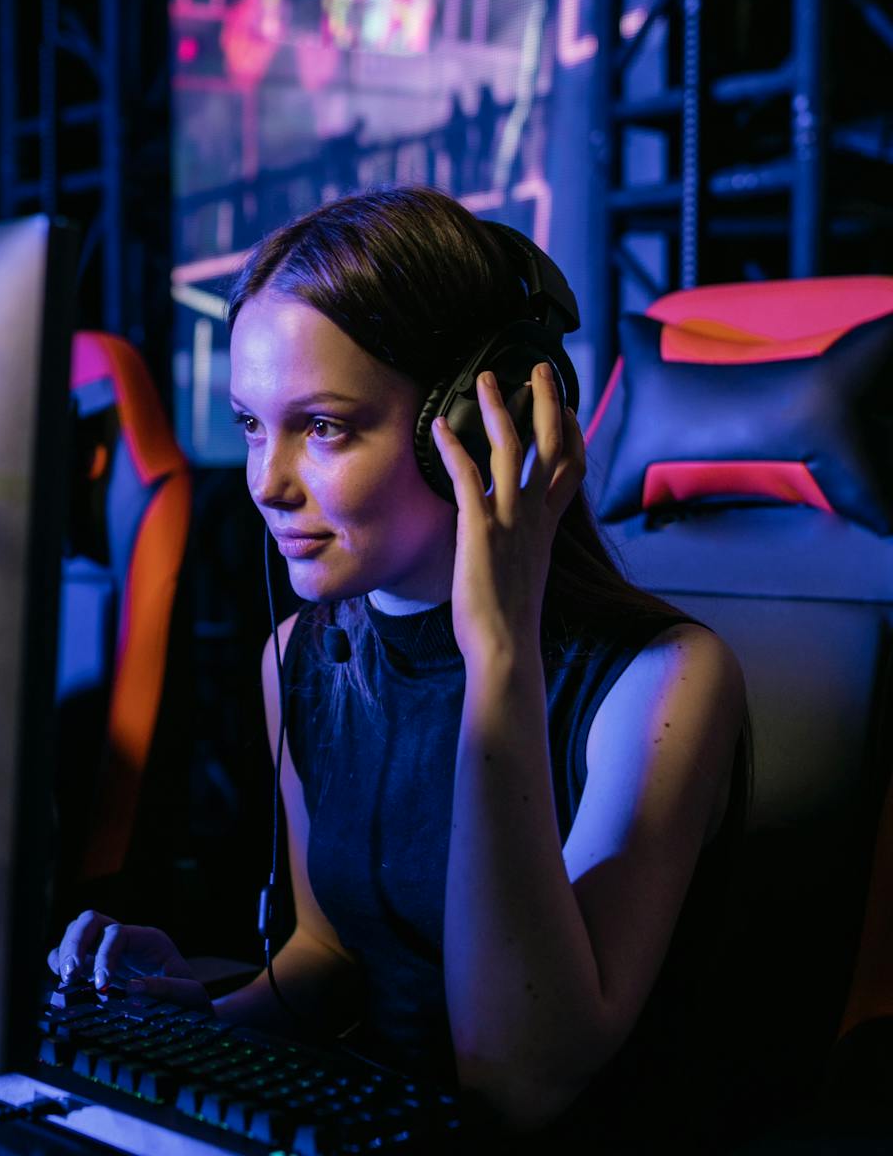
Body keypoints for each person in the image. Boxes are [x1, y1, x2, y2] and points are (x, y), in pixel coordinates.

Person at [49, 186, 749, 1141]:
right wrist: (194, 1016)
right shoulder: (301, 658)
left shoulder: (662, 684)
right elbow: (333, 955)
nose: (265, 483)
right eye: (252, 424)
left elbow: (523, 1077)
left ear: (475, 424)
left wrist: (498, 649)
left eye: (323, 427)